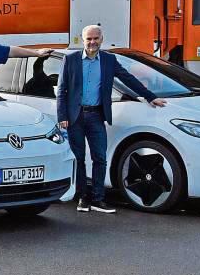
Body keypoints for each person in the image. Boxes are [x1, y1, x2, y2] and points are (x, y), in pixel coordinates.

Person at [56, 25, 167, 214]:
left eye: (95, 38)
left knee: (100, 158)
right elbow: (62, 90)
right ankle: (83, 197)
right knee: (79, 158)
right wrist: (62, 117)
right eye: (88, 39)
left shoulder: (108, 60)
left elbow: (128, 78)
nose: (92, 42)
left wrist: (150, 96)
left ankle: (98, 199)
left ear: (101, 39)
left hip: (97, 115)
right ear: (83, 40)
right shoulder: (71, 60)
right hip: (75, 118)